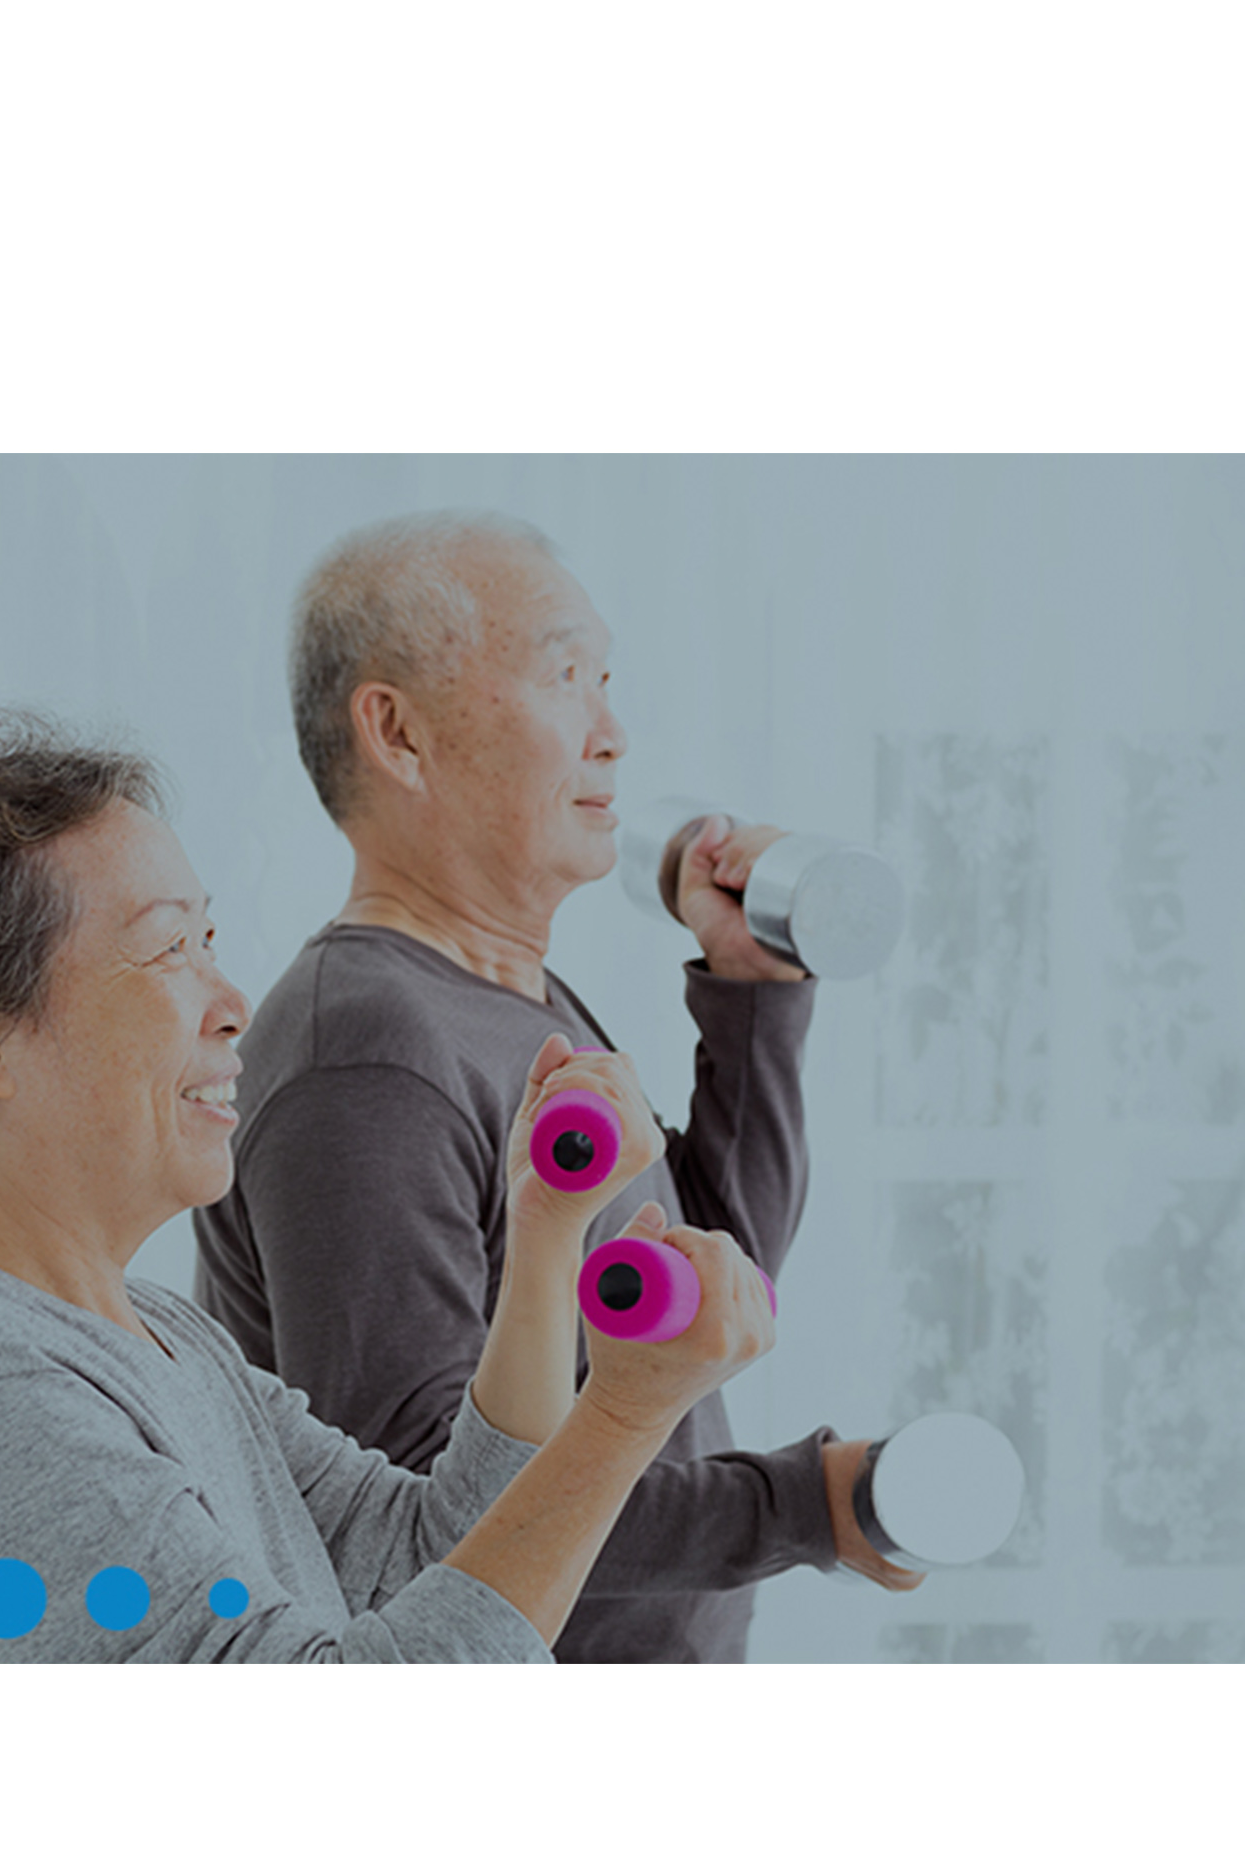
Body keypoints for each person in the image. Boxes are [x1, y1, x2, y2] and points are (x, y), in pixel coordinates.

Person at [0, 713, 773, 1662]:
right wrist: (625, 1418)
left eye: (206, 942)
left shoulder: (158, 1337)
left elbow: (419, 1557)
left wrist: (546, 1239)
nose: (231, 1004)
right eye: (167, 948)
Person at [194, 512, 916, 1662]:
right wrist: (797, 1506)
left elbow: (716, 1276)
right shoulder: (367, 1055)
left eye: (608, 679)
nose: (613, 733)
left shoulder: (506, 1004)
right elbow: (427, 1526)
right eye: (565, 674)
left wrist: (755, 993)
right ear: (397, 732)